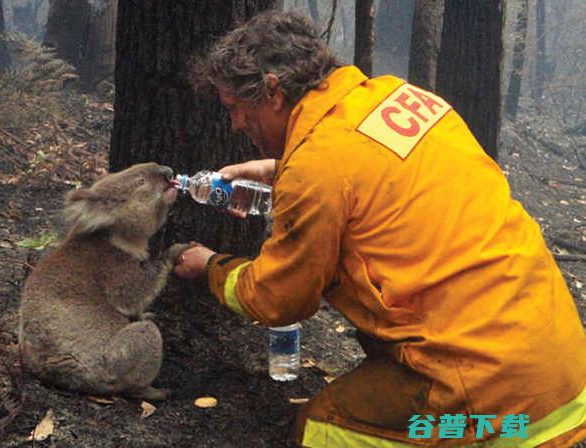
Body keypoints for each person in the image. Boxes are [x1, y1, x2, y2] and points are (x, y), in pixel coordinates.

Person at [174, 10, 586, 447]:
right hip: (563, 371)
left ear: (273, 92)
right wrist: (281, 170)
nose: (237, 124)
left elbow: (278, 298)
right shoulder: (399, 97)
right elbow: (372, 173)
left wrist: (211, 266)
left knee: (323, 428)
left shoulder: (318, 168)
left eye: (236, 108)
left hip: (491, 393)